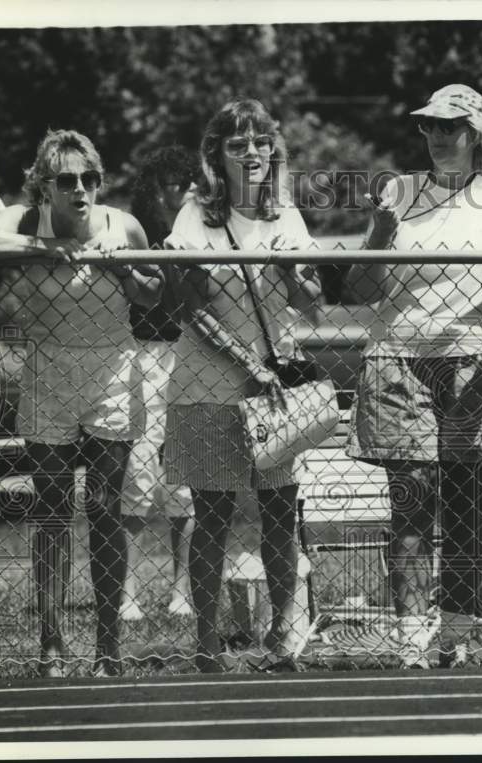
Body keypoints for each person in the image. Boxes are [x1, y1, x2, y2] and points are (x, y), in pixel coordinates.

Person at [344, 84, 482, 668]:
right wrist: (380, 234)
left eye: (449, 127)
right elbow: (357, 293)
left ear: (476, 134)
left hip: (477, 362)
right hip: (400, 358)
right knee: (410, 504)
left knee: (465, 507)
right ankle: (411, 639)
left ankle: (457, 636)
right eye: (429, 126)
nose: (437, 137)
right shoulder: (398, 192)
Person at [0, 129, 161, 676]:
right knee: (52, 511)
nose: (80, 189)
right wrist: (48, 249)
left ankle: (108, 647)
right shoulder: (23, 221)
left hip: (111, 369)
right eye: (66, 180)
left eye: (90, 179)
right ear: (44, 187)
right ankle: (52, 642)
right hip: (49, 368)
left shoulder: (121, 224)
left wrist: (123, 269)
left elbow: (155, 294)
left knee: (106, 510)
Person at [163, 98, 323, 673]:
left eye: (260, 142)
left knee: (282, 514)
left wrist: (290, 273)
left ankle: (284, 639)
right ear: (217, 155)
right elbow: (190, 309)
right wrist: (245, 363)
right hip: (207, 385)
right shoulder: (195, 216)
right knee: (214, 516)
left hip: (276, 390)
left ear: (273, 149)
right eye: (237, 144)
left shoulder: (288, 215)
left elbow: (313, 305)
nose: (251, 153)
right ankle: (207, 647)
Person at [118, 146, 199, 622]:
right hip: (141, 357)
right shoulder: (134, 232)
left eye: (190, 180)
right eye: (173, 181)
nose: (184, 189)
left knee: (186, 482)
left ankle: (182, 591)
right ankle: (126, 593)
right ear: (153, 187)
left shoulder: (204, 231)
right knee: (137, 475)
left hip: (190, 357)